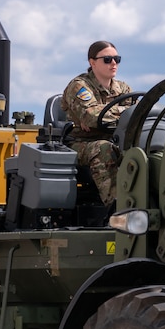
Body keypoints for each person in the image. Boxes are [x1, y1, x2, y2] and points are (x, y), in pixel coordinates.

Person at [60, 40, 133, 205]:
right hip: (80, 143)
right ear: (92, 62)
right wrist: (121, 115)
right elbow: (92, 117)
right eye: (107, 59)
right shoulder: (79, 86)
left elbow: (135, 114)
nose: (113, 63)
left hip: (115, 139)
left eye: (117, 59)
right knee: (103, 148)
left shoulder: (124, 89)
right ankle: (117, 205)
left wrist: (105, 113)